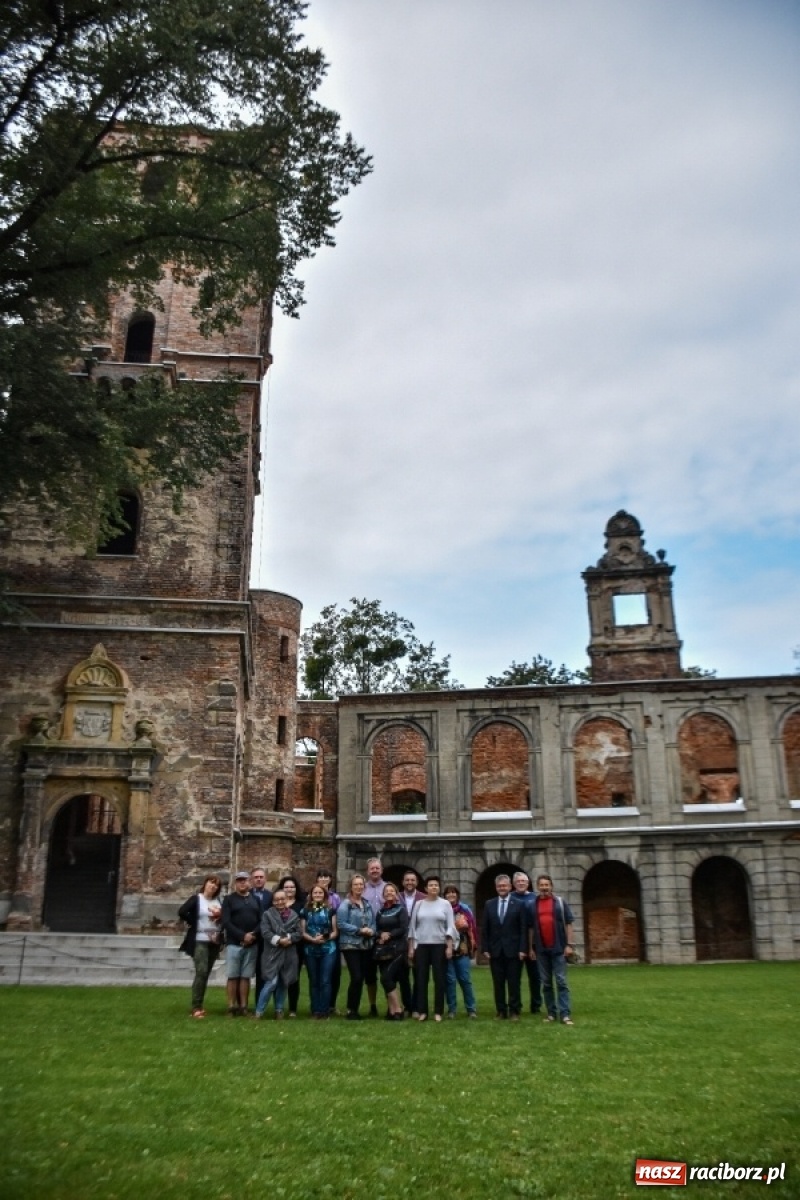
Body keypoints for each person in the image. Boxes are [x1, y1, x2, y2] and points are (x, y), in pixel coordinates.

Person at [408, 875, 457, 1022]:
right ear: (425, 888)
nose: (433, 887)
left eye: (436, 885)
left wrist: (449, 947)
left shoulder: (445, 904)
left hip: (439, 945)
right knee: (421, 979)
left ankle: (438, 1012)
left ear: (439, 888)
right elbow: (412, 927)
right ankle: (422, 1011)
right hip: (421, 945)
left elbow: (450, 927)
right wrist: (411, 947)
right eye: (431, 885)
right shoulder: (419, 904)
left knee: (439, 979)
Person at [530, 874, 576, 1026]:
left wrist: (569, 945)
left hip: (559, 948)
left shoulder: (560, 903)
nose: (544, 888)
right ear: (538, 887)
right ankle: (551, 1013)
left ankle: (565, 1014)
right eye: (541, 885)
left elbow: (569, 923)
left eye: (546, 885)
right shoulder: (533, 904)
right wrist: (531, 947)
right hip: (542, 950)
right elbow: (531, 928)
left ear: (551, 886)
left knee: (561, 982)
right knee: (546, 983)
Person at [481, 873, 528, 1020]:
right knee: (498, 983)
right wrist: (485, 949)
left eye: (505, 885)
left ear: (510, 887)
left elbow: (523, 929)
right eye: (499, 886)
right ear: (496, 888)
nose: (502, 888)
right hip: (495, 951)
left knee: (514, 982)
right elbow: (485, 929)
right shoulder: (489, 904)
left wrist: (522, 949)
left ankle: (514, 1010)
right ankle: (501, 1011)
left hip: (514, 951)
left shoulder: (519, 904)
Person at [178, 874, 223, 1018]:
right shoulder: (197, 899)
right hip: (200, 939)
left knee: (205, 974)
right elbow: (182, 911)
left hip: (214, 941)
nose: (213, 886)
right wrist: (194, 921)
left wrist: (219, 918)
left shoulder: (219, 901)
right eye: (211, 883)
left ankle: (199, 1004)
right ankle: (196, 1007)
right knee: (201, 971)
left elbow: (224, 918)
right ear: (205, 884)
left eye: (216, 885)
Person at [255, 889, 303, 1019]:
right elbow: (265, 932)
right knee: (272, 982)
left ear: (287, 900)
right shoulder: (267, 915)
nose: (280, 902)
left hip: (288, 954)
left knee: (283, 982)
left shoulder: (294, 915)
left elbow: (299, 933)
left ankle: (279, 1010)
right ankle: (259, 1011)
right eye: (277, 900)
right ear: (273, 902)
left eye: (282, 899)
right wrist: (279, 940)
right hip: (272, 953)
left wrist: (289, 938)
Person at [221, 870, 261, 1016]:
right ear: (235, 883)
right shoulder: (229, 899)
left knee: (245, 976)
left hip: (252, 943)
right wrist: (242, 935)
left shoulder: (255, 899)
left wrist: (253, 935)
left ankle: (244, 1006)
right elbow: (226, 921)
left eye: (245, 880)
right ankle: (231, 1007)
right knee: (232, 976)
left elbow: (262, 920)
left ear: (249, 882)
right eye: (239, 880)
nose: (242, 882)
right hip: (234, 943)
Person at [337, 873, 376, 1020]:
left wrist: (372, 930)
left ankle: (356, 1009)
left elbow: (372, 921)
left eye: (361, 885)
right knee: (357, 977)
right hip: (350, 945)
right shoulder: (345, 905)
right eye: (356, 884)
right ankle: (351, 1010)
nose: (359, 887)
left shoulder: (366, 904)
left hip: (366, 945)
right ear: (351, 887)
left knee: (363, 977)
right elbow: (341, 924)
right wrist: (359, 930)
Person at [301, 883, 338, 1019]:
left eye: (320, 893)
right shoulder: (305, 911)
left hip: (328, 949)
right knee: (314, 980)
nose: (317, 895)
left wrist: (325, 938)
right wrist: (312, 939)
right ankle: (315, 1010)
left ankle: (324, 1010)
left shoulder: (330, 910)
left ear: (325, 895)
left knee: (325, 980)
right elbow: (302, 931)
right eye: (315, 893)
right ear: (311, 895)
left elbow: (335, 931)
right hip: (310, 949)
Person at [374, 882, 408, 1020]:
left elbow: (403, 927)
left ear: (396, 894)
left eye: (392, 891)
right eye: (386, 891)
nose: (389, 893)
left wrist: (390, 934)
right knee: (387, 980)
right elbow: (376, 927)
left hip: (398, 948)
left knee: (386, 978)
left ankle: (398, 1009)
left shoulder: (401, 909)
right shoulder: (380, 912)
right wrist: (380, 934)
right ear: (383, 894)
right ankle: (391, 1011)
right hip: (383, 949)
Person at [443, 885, 477, 1019]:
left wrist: (473, 946)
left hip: (462, 949)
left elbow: (471, 928)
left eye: (453, 893)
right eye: (448, 893)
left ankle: (471, 1008)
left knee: (465, 979)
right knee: (450, 980)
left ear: (457, 895)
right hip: (446, 949)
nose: (451, 895)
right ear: (444, 896)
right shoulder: (442, 908)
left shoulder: (465, 909)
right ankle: (452, 1009)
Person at [513, 870, 542, 1015]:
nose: (521, 883)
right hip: (516, 944)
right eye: (518, 881)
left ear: (528, 883)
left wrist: (532, 946)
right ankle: (516, 1006)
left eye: (523, 881)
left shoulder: (535, 899)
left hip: (533, 944)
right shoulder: (510, 898)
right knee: (515, 978)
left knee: (535, 977)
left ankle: (536, 1005)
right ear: (514, 884)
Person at [277, 875, 307, 1017]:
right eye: (286, 887)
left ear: (296, 889)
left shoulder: (302, 903)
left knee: (294, 977)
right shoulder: (277, 903)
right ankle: (279, 1007)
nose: (289, 889)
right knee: (279, 977)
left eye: (292, 887)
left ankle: (293, 1009)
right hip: (278, 946)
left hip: (296, 946)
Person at [316, 868, 343, 1013]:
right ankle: (319, 1004)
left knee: (334, 973)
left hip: (332, 938)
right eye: (321, 876)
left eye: (326, 876)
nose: (324, 879)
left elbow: (338, 916)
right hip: (315, 938)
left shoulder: (335, 897)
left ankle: (331, 1004)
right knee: (318, 974)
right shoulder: (313, 896)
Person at [398, 870, 425, 1015]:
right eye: (407, 880)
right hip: (401, 942)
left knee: (418, 976)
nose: (410, 882)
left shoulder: (424, 898)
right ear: (403, 882)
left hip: (419, 942)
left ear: (417, 882)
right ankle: (407, 1006)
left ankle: (416, 1007)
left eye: (412, 880)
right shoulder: (396, 897)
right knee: (403, 978)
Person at [363, 857, 386, 1017]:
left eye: (377, 868)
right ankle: (372, 1005)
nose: (375, 871)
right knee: (370, 976)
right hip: (368, 938)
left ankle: (392, 1005)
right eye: (372, 868)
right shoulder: (361, 888)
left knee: (388, 975)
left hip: (385, 938)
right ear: (368, 871)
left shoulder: (389, 888)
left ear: (381, 870)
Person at [250, 866, 273, 1003]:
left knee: (261, 972)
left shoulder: (270, 896)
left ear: (265, 879)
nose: (258, 879)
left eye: (261, 877)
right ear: (252, 880)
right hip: (249, 937)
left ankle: (260, 1002)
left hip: (265, 939)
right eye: (256, 877)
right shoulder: (247, 894)